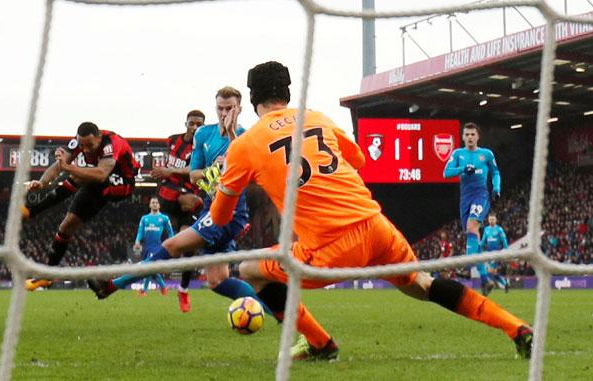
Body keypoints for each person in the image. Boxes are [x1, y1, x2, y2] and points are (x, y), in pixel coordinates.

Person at [209, 61, 533, 361]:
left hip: (329, 247)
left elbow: (222, 219)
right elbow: (360, 160)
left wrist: (227, 185)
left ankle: (320, 344)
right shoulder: (317, 118)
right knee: (422, 284)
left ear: (252, 99)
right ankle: (516, 328)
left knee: (251, 268)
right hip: (376, 226)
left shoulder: (245, 145)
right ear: (288, 93)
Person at [87, 87, 264, 311]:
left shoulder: (246, 137)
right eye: (220, 108)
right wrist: (214, 170)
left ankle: (111, 286)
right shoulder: (203, 135)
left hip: (230, 210)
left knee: (171, 245)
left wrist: (231, 142)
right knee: (217, 281)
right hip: (212, 206)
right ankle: (278, 310)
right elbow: (194, 173)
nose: (224, 113)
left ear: (239, 108)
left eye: (229, 108)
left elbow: (250, 174)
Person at [23, 122, 140, 290]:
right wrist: (41, 183)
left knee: (78, 176)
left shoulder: (112, 143)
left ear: (99, 137)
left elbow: (101, 174)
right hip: (98, 183)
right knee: (66, 226)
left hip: (123, 183)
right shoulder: (80, 143)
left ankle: (31, 211)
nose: (85, 150)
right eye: (82, 145)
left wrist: (69, 167)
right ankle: (47, 276)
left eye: (89, 145)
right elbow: (59, 166)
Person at [150, 109, 206, 312]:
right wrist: (167, 172)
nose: (195, 127)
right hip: (169, 193)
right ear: (186, 123)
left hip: (187, 195)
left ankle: (183, 290)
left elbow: (192, 170)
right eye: (192, 123)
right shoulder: (172, 140)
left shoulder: (203, 147)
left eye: (199, 124)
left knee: (187, 246)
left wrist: (170, 170)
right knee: (193, 201)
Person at [444, 122, 501, 296]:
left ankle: (468, 261)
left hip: (481, 194)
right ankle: (485, 280)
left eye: (472, 134)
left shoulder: (486, 154)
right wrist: (463, 169)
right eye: (466, 134)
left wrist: (496, 187)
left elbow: (496, 172)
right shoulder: (458, 154)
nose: (469, 137)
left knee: (471, 227)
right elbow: (446, 173)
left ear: (478, 136)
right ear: (462, 137)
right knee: (472, 236)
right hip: (465, 198)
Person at [133, 197, 175, 297]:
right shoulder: (144, 218)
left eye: (156, 202)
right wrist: (137, 241)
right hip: (147, 247)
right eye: (153, 202)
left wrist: (172, 242)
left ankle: (144, 291)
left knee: (149, 267)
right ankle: (163, 288)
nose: (155, 204)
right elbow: (140, 231)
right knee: (151, 269)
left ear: (159, 205)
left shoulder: (164, 218)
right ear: (150, 205)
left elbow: (170, 232)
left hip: (156, 247)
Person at [479, 214, 510, 295]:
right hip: (489, 253)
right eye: (490, 219)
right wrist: (479, 247)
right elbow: (483, 241)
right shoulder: (486, 229)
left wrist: (506, 250)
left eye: (493, 219)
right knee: (493, 273)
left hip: (496, 253)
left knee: (490, 271)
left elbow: (504, 240)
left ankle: (489, 286)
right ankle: (505, 283)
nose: (491, 221)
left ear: (496, 220)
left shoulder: (499, 229)